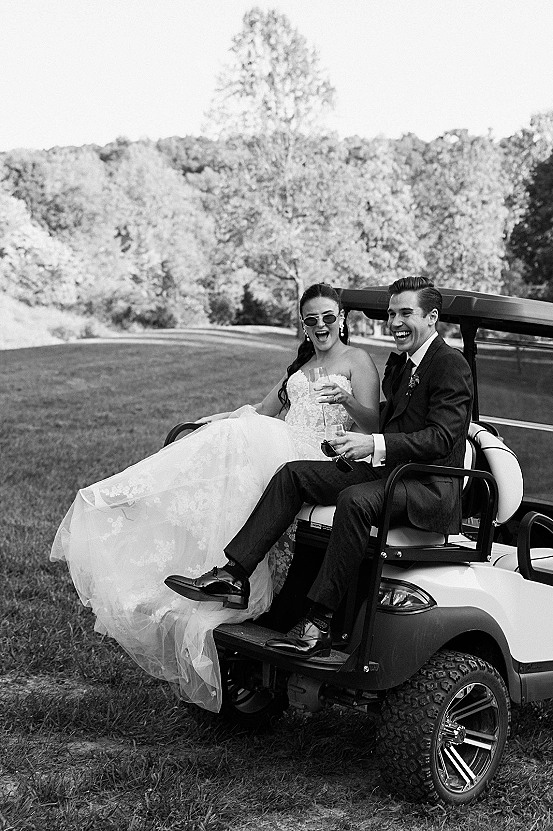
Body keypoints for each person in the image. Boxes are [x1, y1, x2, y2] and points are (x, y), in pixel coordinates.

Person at [50, 283, 380, 711]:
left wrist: (347, 399)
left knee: (250, 448)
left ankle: (230, 572)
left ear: (343, 319)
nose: (320, 327)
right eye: (310, 320)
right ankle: (147, 509)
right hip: (288, 450)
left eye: (328, 318)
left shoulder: (357, 361)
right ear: (302, 324)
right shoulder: (299, 368)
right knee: (231, 438)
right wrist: (218, 420)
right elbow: (263, 412)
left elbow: (374, 423)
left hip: (328, 455)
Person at [166, 276, 474, 660]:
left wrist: (373, 443)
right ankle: (235, 574)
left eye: (405, 313)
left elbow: (441, 439)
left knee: (355, 501)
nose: (395, 322)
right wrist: (365, 446)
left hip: (428, 486)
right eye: (392, 313)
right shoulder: (401, 362)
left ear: (432, 317)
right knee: (294, 473)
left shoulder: (449, 364)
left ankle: (319, 623)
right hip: (389, 471)